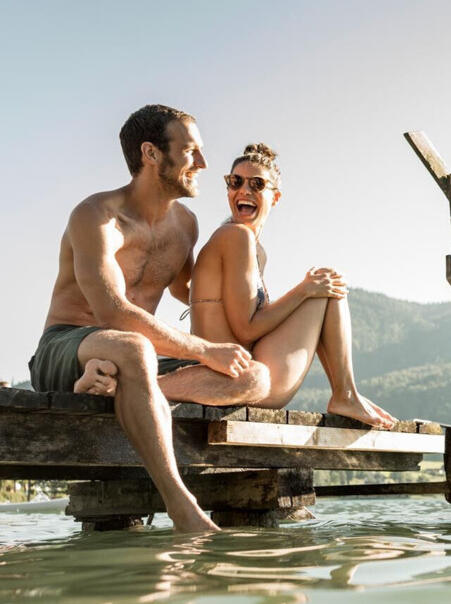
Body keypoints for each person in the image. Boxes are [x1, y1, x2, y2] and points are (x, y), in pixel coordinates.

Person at [30, 105, 271, 533]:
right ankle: (181, 506)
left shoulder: (187, 226)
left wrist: (248, 253)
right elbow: (113, 314)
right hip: (67, 345)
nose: (203, 163)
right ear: (152, 154)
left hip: (130, 362)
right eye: (191, 151)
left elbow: (193, 294)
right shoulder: (97, 217)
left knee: (255, 378)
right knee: (134, 345)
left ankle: (125, 392)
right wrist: (204, 350)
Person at [189, 144, 394, 427]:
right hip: (234, 380)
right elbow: (246, 329)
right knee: (324, 285)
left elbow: (248, 325)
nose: (244, 190)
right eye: (235, 182)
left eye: (257, 184)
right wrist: (304, 290)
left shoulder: (255, 249)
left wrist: (308, 290)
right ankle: (345, 394)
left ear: (275, 197)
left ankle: (347, 394)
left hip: (245, 373)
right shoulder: (234, 236)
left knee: (325, 284)